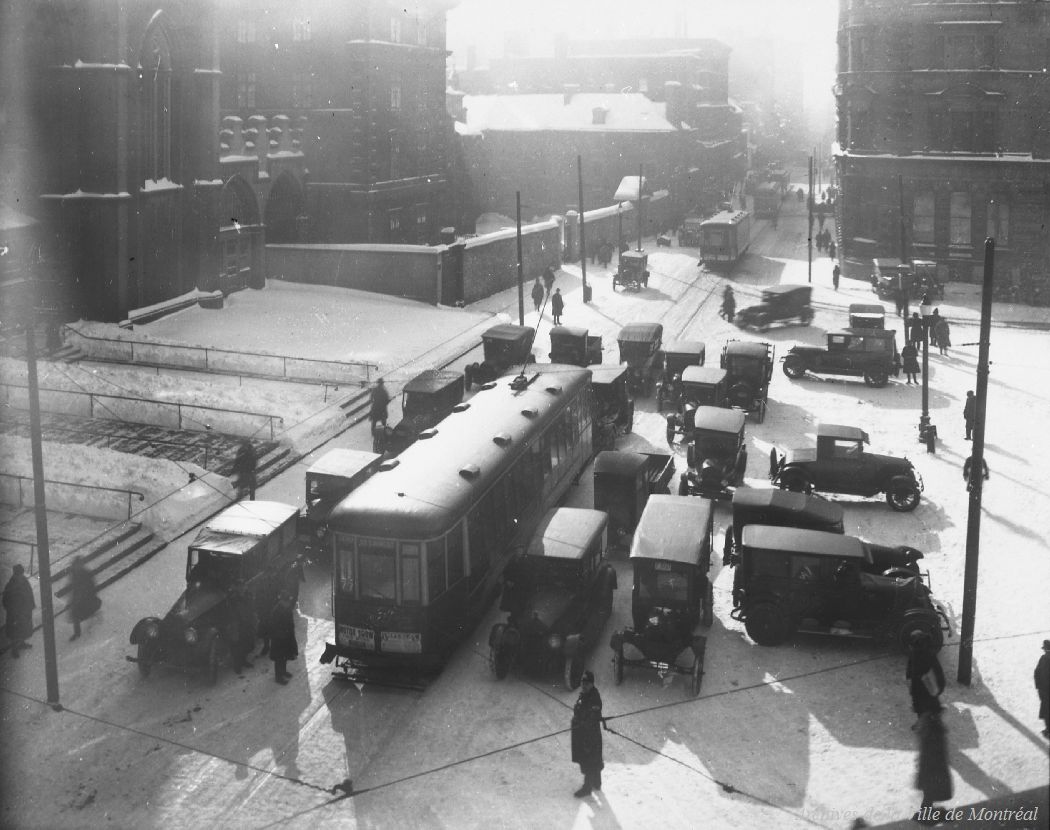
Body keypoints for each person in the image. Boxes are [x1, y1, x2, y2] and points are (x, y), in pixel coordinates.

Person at [913, 709, 952, 826]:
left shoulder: (928, 727)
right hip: (932, 763)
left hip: (929, 763)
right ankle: (927, 815)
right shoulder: (933, 729)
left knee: (929, 789)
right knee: (931, 788)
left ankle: (927, 813)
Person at [570, 669, 605, 797]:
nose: (583, 685)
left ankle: (587, 787)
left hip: (590, 735)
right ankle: (596, 782)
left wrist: (583, 719)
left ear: (591, 684)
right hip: (584, 733)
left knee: (589, 759)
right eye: (582, 682)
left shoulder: (594, 697)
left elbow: (593, 713)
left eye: (586, 683)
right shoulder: (584, 694)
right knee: (593, 758)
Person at [906, 631, 945, 723]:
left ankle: (927, 725)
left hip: (922, 691)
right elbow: (939, 673)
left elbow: (914, 681)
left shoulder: (916, 658)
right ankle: (933, 720)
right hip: (932, 689)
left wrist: (914, 702)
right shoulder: (929, 654)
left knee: (924, 711)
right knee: (932, 706)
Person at [3, 563, 35, 658]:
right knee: (15, 631)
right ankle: (14, 649)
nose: (21, 575)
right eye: (19, 574)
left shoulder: (24, 581)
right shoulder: (11, 585)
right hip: (15, 613)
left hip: (24, 610)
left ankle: (21, 643)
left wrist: (31, 605)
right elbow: (6, 600)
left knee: (22, 628)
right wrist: (12, 610)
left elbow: (29, 593)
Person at [267, 590, 297, 684]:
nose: (288, 603)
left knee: (285, 657)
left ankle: (283, 671)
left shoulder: (287, 609)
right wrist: (281, 635)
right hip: (279, 640)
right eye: (286, 601)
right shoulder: (276, 611)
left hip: (286, 637)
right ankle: (278, 677)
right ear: (282, 601)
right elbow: (273, 627)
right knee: (279, 658)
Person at [228, 580, 257, 673]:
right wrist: (234, 627)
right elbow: (232, 614)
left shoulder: (248, 596)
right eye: (240, 586)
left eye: (243, 586)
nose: (242, 588)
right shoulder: (233, 599)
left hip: (248, 623)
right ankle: (237, 666)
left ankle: (243, 660)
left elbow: (252, 609)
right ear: (237, 588)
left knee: (247, 644)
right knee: (238, 646)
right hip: (238, 625)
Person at [68, 556, 100, 641]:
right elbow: (74, 587)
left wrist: (85, 595)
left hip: (86, 596)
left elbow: (92, 586)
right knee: (76, 614)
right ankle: (77, 633)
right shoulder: (74, 573)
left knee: (80, 613)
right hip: (79, 596)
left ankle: (81, 631)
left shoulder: (85, 573)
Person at [1035, 640, 1050, 738]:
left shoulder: (1043, 658)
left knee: (1046, 711)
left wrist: (1039, 687)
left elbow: (1037, 673)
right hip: (1045, 690)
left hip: (1045, 691)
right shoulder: (1043, 658)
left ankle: (1048, 730)